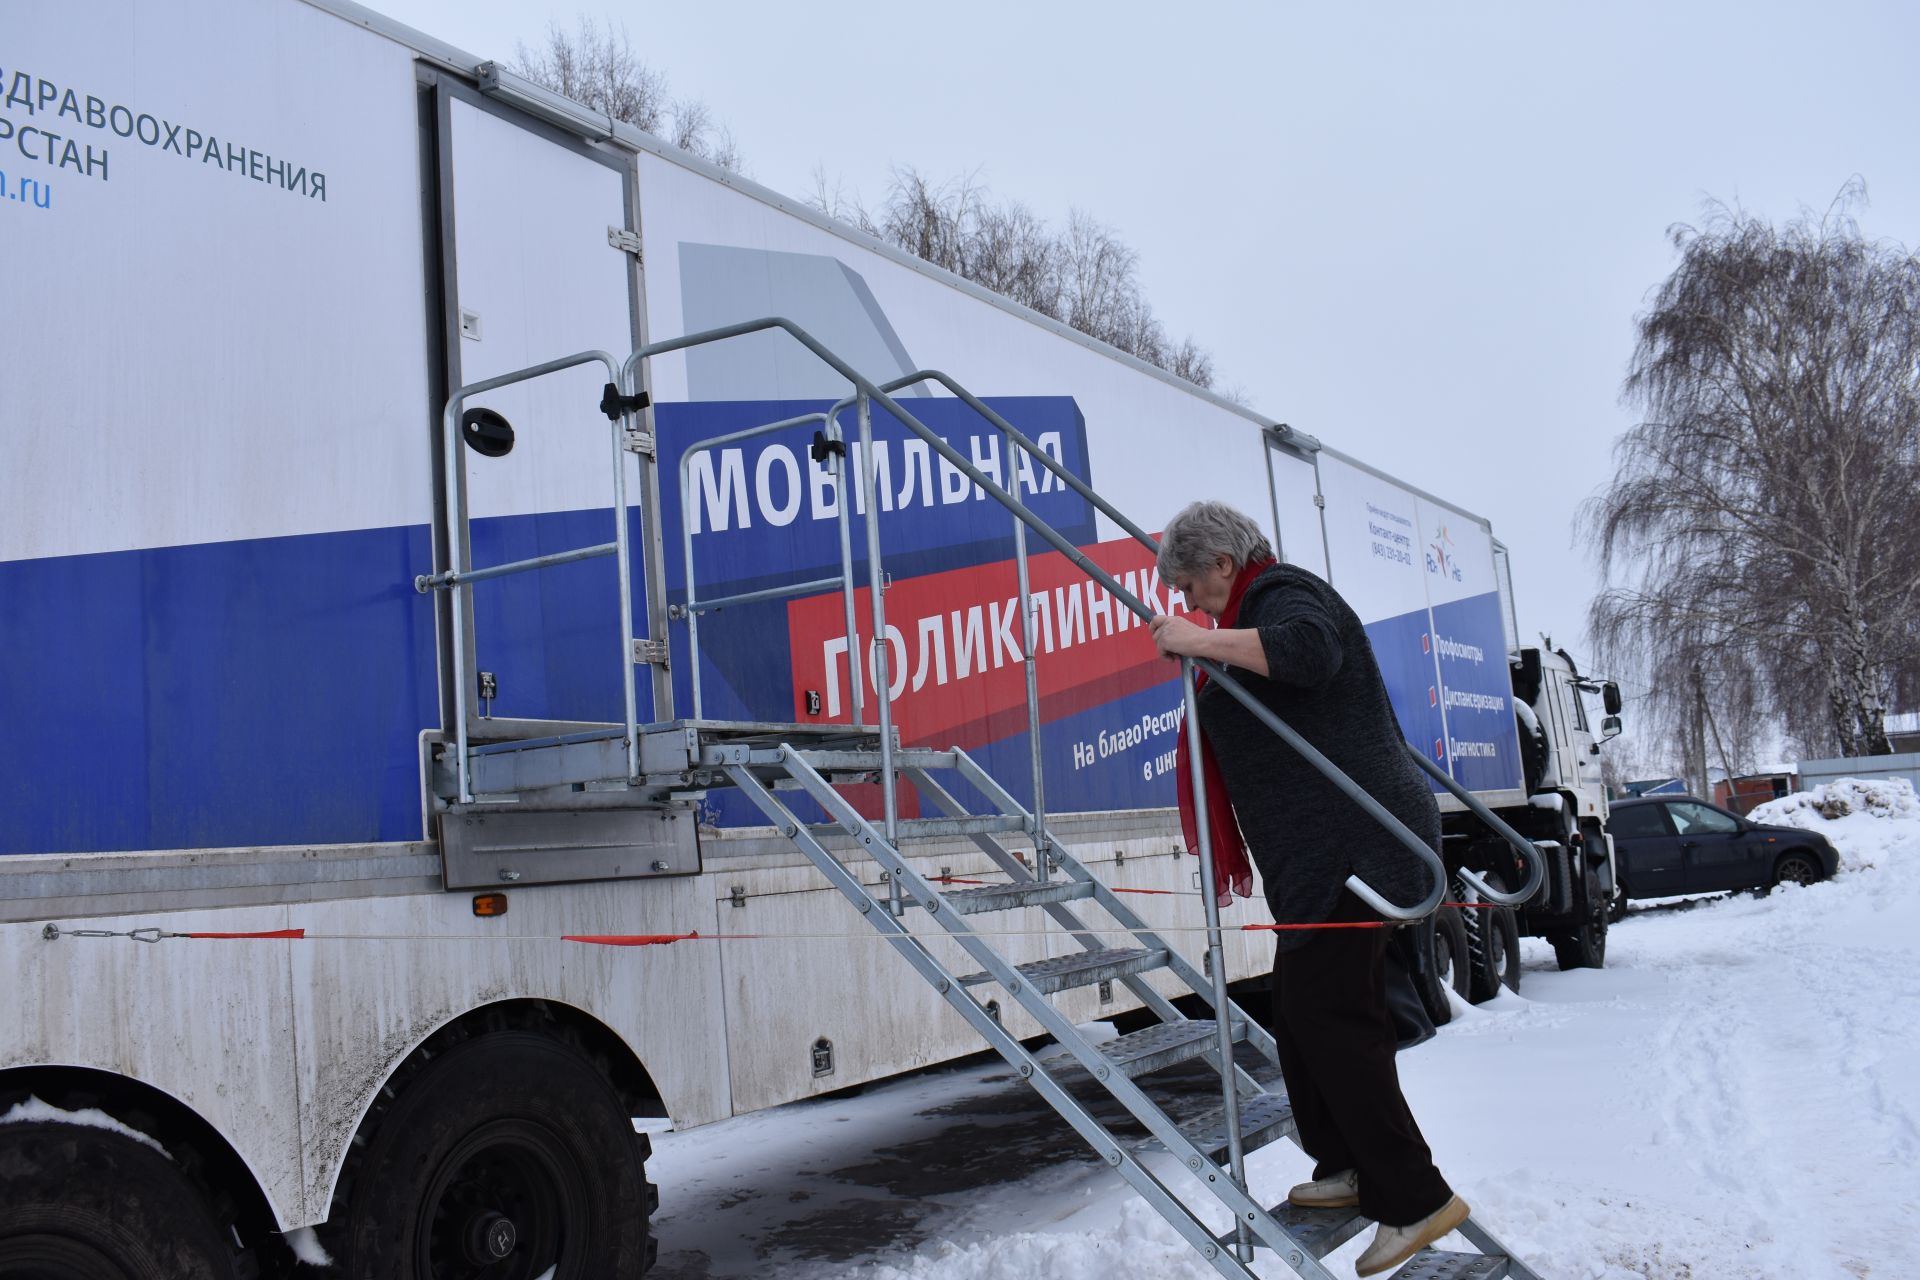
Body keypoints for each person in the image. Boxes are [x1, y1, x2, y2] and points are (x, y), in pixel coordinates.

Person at [1148, 499, 1467, 1277]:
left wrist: (1200, 640)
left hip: (1358, 846)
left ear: (1224, 564)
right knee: (1297, 1009)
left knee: (1334, 1017)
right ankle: (1349, 1164)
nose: (1187, 607)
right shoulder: (1250, 609)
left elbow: (1311, 652)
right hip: (1325, 860)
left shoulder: (1287, 594)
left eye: (1191, 587)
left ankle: (1415, 1196)